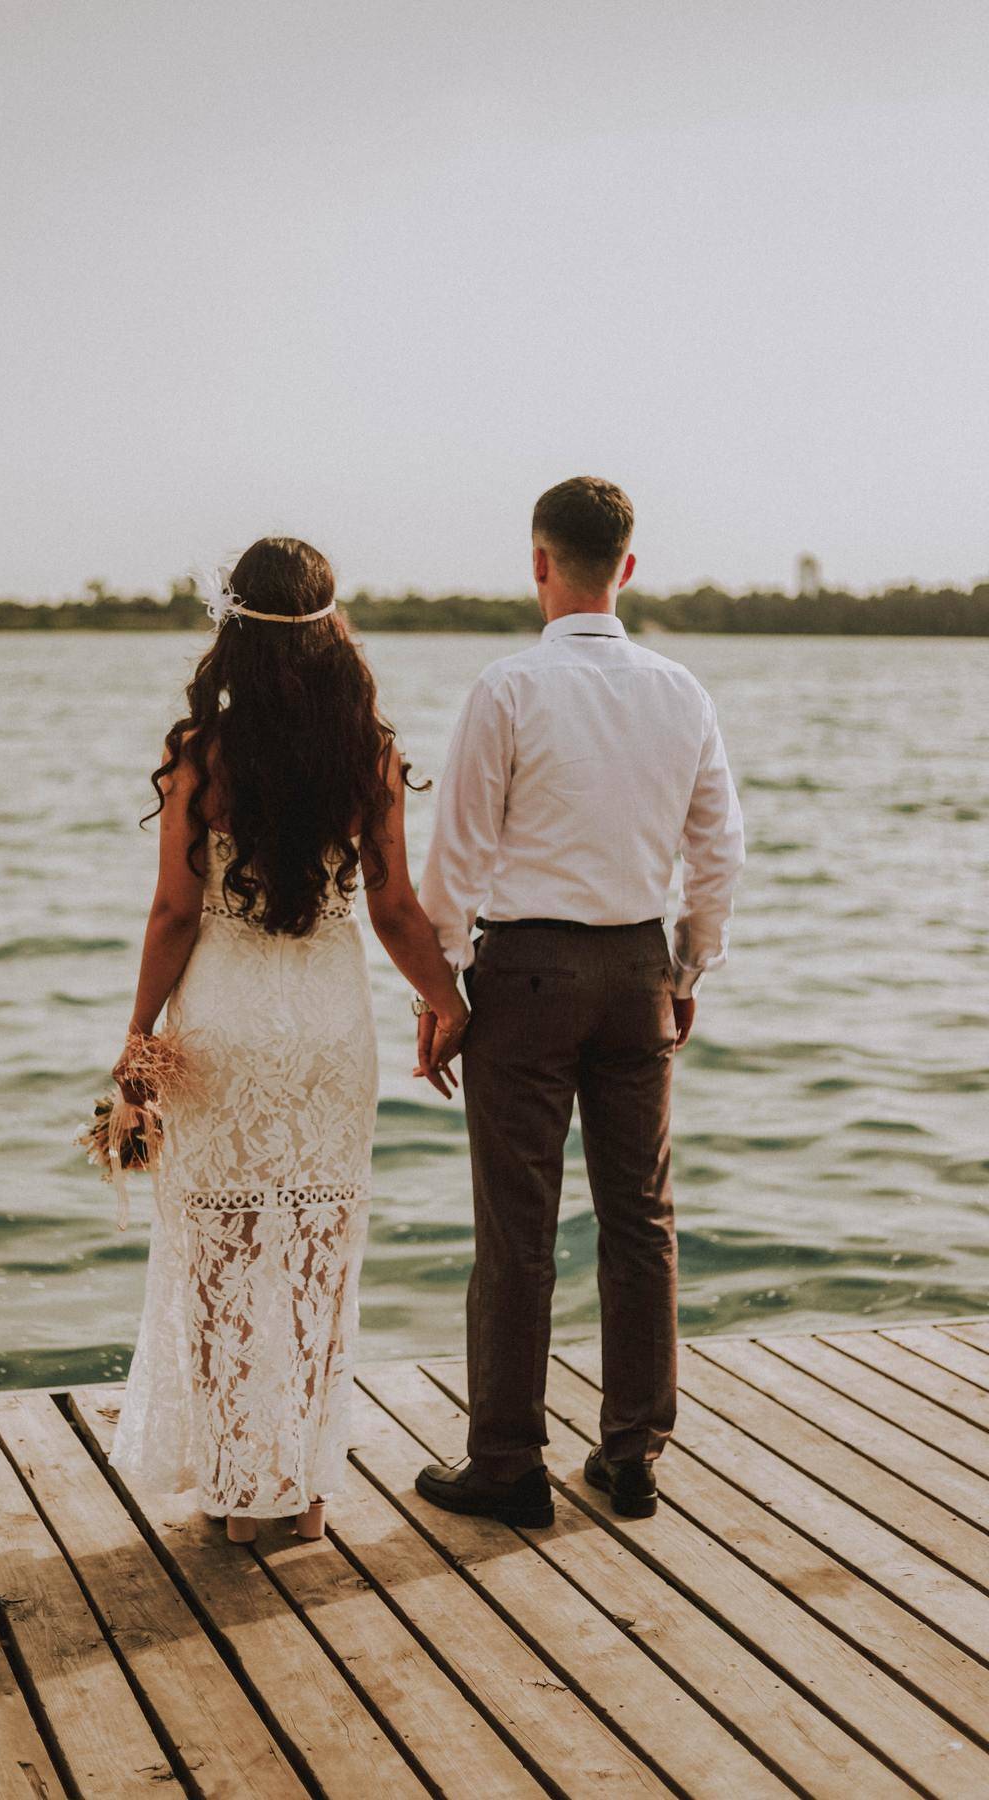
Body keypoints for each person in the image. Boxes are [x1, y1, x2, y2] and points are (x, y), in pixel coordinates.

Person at [108, 537, 467, 1542]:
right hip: (327, 1027)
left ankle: (237, 1497)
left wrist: (137, 1037)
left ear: (235, 629)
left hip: (221, 1022)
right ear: (330, 628)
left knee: (221, 1257)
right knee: (315, 1253)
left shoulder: (201, 756)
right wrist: (448, 1003)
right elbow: (395, 911)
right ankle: (303, 1495)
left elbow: (173, 916)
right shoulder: (369, 755)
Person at [413, 477, 744, 1523]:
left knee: (518, 1229)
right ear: (628, 568)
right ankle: (633, 1454)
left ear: (539, 563)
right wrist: (687, 968)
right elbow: (719, 851)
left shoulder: (508, 687)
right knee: (641, 1219)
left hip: (526, 973)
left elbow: (456, 855)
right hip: (638, 969)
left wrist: (441, 988)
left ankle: (509, 1465)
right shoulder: (682, 692)